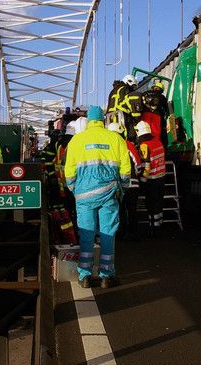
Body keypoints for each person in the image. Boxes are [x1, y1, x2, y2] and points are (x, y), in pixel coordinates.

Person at [65, 106, 130, 289]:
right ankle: (106, 276)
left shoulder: (77, 140)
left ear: (89, 120)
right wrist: (122, 188)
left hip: (84, 195)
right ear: (103, 120)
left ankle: (85, 275)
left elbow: (69, 170)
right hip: (109, 193)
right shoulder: (116, 139)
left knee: (86, 233)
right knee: (108, 233)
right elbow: (125, 169)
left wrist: (74, 189)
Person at [108, 122, 142, 241]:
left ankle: (120, 233)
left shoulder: (108, 146)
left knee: (119, 210)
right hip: (132, 183)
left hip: (115, 185)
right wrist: (138, 174)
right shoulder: (127, 144)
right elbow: (137, 162)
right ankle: (134, 233)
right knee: (132, 209)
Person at [136, 120, 166, 236]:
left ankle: (154, 228)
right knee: (159, 203)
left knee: (151, 205)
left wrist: (142, 182)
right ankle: (159, 224)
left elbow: (147, 167)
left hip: (152, 180)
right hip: (161, 178)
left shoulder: (144, 145)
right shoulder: (158, 142)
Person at [141, 80, 169, 146]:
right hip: (157, 116)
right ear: (161, 90)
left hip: (145, 115)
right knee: (157, 135)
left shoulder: (145, 93)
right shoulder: (162, 97)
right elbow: (166, 108)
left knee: (145, 132)